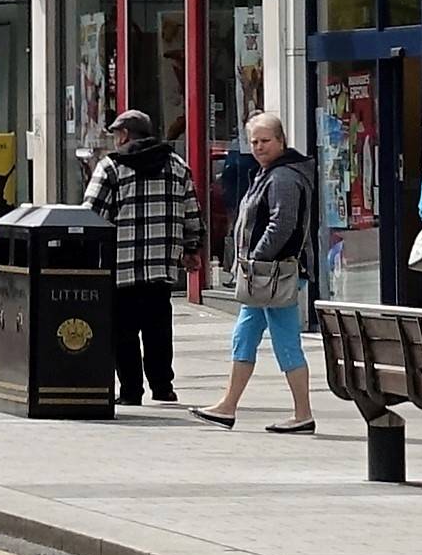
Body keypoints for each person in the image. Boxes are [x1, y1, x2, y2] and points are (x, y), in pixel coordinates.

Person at [203, 111, 319, 432]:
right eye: (254, 141)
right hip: (262, 274)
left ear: (281, 140)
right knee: (244, 336)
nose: (258, 147)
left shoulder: (283, 176)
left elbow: (282, 224)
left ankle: (303, 413)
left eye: (265, 141)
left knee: (286, 341)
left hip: (274, 273)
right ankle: (227, 405)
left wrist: (257, 257)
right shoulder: (268, 173)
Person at [92, 107, 191, 407]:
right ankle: (163, 386)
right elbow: (191, 211)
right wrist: (192, 249)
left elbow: (92, 215)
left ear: (124, 135)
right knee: (158, 328)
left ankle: (131, 390)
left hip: (121, 267)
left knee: (123, 332)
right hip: (162, 265)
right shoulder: (177, 166)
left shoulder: (111, 167)